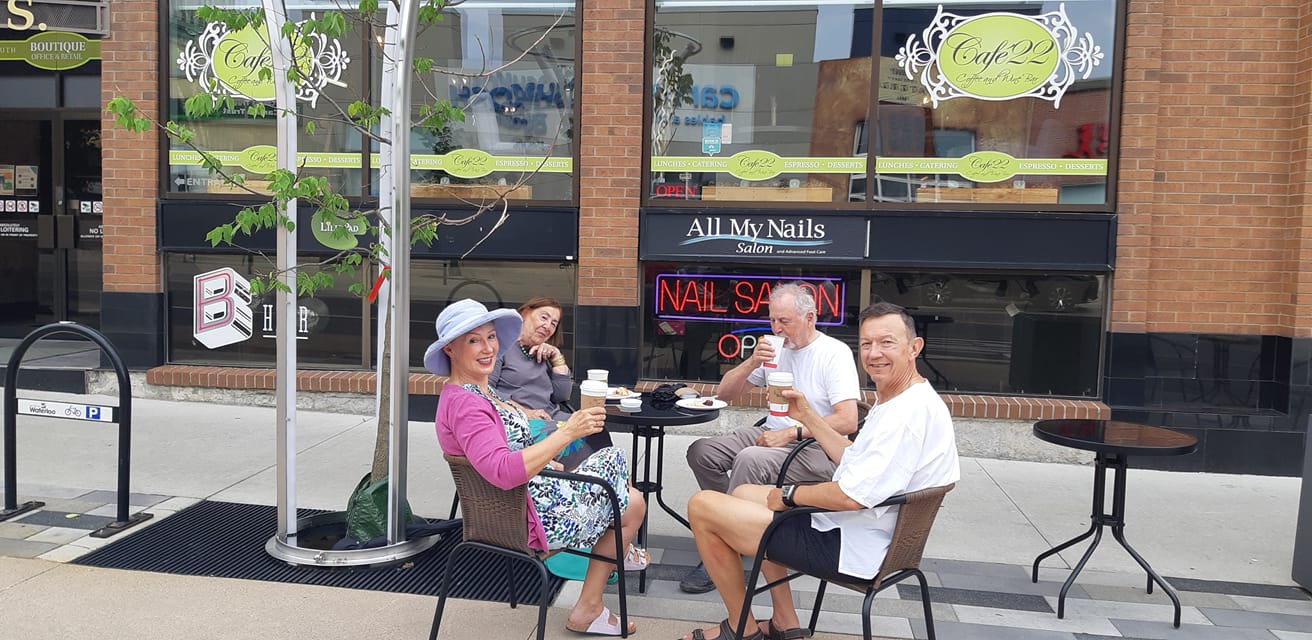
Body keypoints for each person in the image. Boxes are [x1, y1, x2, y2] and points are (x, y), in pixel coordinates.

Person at [678, 302, 960, 640]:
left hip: (853, 547)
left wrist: (788, 495)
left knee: (703, 506)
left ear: (914, 347)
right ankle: (785, 622)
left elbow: (851, 496)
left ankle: (742, 628)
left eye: (887, 343)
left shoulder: (904, 415)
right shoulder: (909, 398)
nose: (874, 353)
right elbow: (853, 458)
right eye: (867, 343)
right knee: (743, 494)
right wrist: (807, 416)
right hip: (872, 532)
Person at [428, 299, 649, 637]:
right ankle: (607, 572)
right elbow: (503, 471)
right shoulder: (467, 404)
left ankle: (596, 594)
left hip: (525, 500)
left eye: (491, 337)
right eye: (474, 340)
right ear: (450, 349)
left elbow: (506, 449)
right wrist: (567, 433)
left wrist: (545, 457)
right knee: (623, 486)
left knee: (630, 499)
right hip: (526, 520)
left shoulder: (476, 392)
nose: (488, 348)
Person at [680, 282, 861, 593]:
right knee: (702, 451)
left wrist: (791, 431)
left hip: (816, 447)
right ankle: (735, 520)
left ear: (809, 318)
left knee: (749, 459)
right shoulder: (775, 348)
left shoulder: (833, 353)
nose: (777, 329)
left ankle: (724, 546)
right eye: (773, 320)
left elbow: (848, 420)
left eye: (784, 321)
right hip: (770, 431)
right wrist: (752, 362)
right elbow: (725, 395)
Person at [490, 296, 572, 422]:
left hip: (553, 417)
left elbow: (561, 396)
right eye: (544, 317)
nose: (547, 326)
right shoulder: (501, 347)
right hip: (521, 421)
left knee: (596, 426)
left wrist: (557, 357)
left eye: (553, 324)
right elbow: (486, 391)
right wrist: (525, 412)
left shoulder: (545, 353)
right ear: (524, 313)